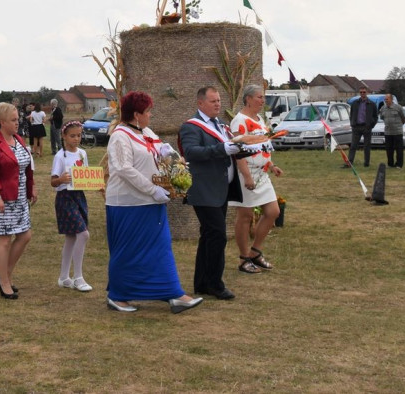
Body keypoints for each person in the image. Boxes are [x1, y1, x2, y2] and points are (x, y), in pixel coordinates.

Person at [105, 92, 203, 313]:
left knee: (160, 247)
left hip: (151, 202)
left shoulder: (146, 131)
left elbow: (161, 151)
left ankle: (173, 293)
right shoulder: (120, 136)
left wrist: (173, 158)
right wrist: (152, 189)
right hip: (128, 204)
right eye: (147, 111)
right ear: (136, 114)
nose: (151, 115)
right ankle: (118, 296)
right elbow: (123, 169)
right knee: (128, 251)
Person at [180, 86, 247, 301]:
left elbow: (230, 147)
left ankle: (202, 283)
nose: (218, 104)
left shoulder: (220, 125)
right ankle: (215, 284)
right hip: (204, 189)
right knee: (217, 234)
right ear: (200, 103)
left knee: (209, 235)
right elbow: (190, 152)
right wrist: (222, 149)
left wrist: (244, 146)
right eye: (213, 101)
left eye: (219, 100)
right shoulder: (191, 127)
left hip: (221, 188)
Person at [0, 102, 36, 299]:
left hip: (19, 197)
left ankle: (5, 274)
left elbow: (27, 167)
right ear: (2, 122)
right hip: (1, 199)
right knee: (4, 240)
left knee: (25, 236)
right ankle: (4, 281)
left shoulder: (18, 139)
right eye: (13, 120)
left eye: (17, 119)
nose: (17, 123)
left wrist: (32, 188)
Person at [228, 84, 283, 274]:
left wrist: (271, 165)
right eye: (259, 97)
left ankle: (255, 251)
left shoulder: (260, 119)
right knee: (245, 216)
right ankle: (244, 258)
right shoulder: (239, 121)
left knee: (273, 211)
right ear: (248, 99)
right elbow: (239, 151)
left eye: (263, 97)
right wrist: (247, 176)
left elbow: (263, 145)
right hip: (247, 173)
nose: (262, 101)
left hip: (262, 173)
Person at [50, 120, 92, 292]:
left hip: (79, 196)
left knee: (71, 237)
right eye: (72, 136)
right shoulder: (60, 156)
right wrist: (61, 179)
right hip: (65, 198)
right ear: (64, 136)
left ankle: (63, 277)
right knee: (83, 234)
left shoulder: (82, 154)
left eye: (79, 135)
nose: (76, 139)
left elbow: (87, 175)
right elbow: (53, 181)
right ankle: (78, 277)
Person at [348, 86, 379, 168]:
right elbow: (351, 114)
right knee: (353, 146)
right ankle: (350, 162)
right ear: (359, 93)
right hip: (356, 127)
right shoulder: (355, 103)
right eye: (361, 92)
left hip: (367, 127)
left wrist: (371, 125)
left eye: (364, 92)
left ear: (367, 92)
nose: (362, 94)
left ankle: (366, 163)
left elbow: (375, 117)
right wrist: (352, 124)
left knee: (367, 146)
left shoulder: (372, 104)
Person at [380, 94, 405, 169]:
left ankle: (399, 164)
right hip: (388, 132)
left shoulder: (398, 107)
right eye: (385, 99)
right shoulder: (383, 108)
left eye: (387, 99)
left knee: (399, 149)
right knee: (389, 149)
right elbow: (382, 117)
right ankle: (390, 164)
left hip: (397, 132)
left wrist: (398, 125)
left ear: (391, 100)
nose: (386, 101)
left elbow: (404, 118)